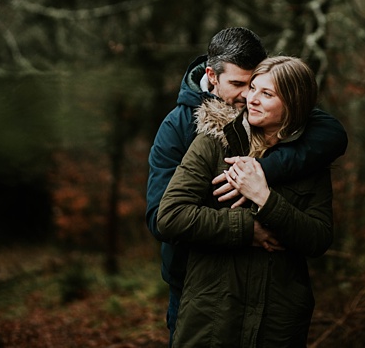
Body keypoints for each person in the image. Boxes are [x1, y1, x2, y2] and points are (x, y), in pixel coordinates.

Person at [145, 27, 347, 345]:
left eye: (259, 87)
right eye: (240, 85)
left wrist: (259, 179)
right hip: (196, 284)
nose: (247, 97)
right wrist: (247, 229)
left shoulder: (305, 138)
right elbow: (163, 215)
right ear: (212, 76)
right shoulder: (183, 128)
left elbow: (334, 135)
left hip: (275, 302)